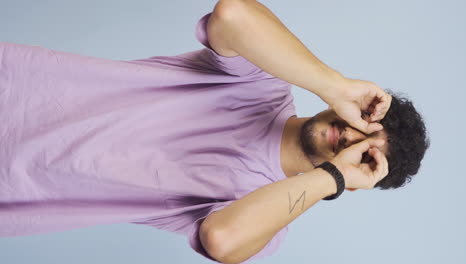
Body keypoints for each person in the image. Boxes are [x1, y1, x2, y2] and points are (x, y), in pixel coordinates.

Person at [0, 1, 429, 264]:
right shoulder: (263, 82)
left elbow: (221, 240)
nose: (354, 139)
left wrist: (333, 177)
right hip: (15, 89)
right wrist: (336, 85)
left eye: (369, 156)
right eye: (367, 126)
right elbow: (232, 14)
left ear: (360, 180)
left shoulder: (268, 220)